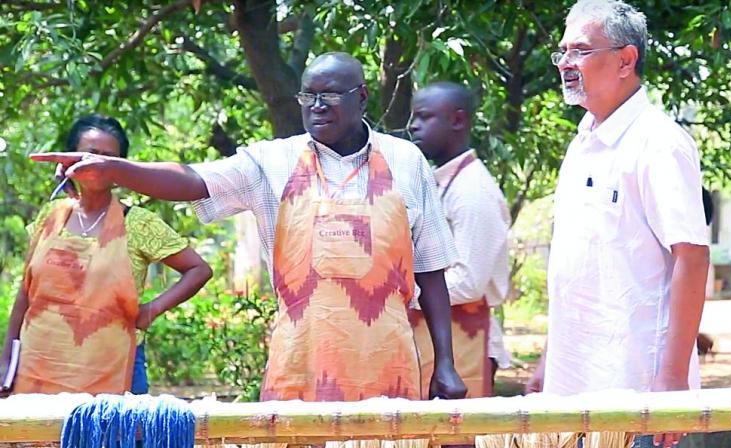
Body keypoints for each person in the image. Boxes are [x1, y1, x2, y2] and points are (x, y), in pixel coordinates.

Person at [32, 53, 467, 402]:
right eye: (307, 95)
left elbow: (430, 268)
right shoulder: (270, 161)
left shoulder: (406, 162)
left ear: (363, 98)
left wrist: (445, 362)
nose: (316, 106)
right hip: (300, 360)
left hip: (385, 362)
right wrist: (114, 169)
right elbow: (192, 179)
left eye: (330, 95)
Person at [528, 1, 710, 447]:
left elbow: (692, 256)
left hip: (638, 390)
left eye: (582, 51)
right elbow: (582, 267)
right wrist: (550, 359)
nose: (567, 64)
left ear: (626, 60)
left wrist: (671, 381)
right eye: (563, 52)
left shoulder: (659, 143)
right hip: (574, 385)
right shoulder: (583, 141)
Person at [0, 114, 212, 395]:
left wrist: (151, 311)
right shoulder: (50, 216)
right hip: (36, 367)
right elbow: (25, 294)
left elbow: (198, 269)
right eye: (89, 154)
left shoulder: (137, 223)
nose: (95, 164)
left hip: (110, 369)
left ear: (120, 167)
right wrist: (6, 358)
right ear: (70, 158)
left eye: (107, 158)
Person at [408, 82, 512, 398]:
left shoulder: (472, 191)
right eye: (413, 116)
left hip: (465, 338)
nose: (413, 125)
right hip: (444, 335)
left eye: (425, 117)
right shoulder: (446, 182)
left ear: (458, 120)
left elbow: (467, 282)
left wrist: (402, 292)